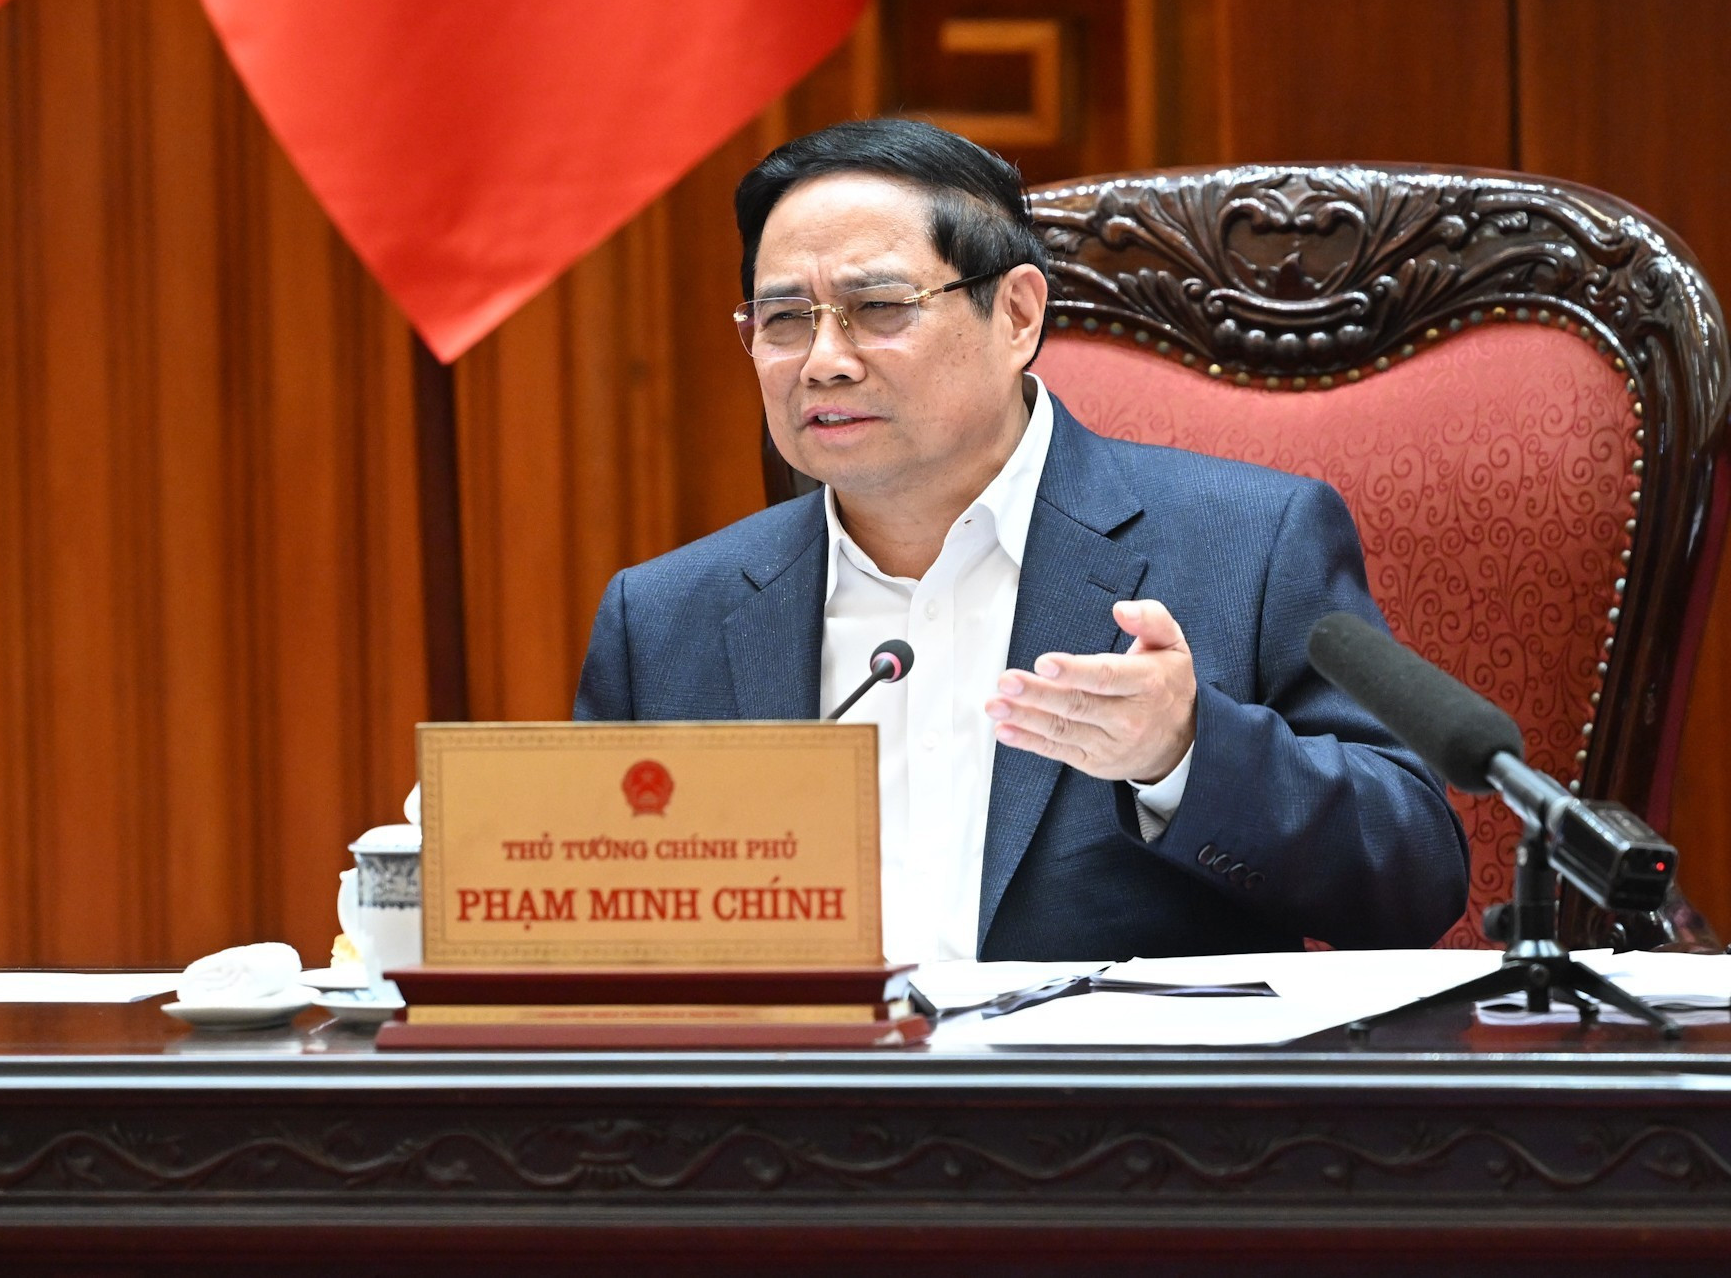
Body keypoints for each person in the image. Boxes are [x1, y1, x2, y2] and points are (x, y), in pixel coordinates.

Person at [574, 118, 1469, 964]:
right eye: (783, 319)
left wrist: (1187, 753)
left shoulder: (1249, 544)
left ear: (1016, 316)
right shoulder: (663, 620)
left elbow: (1415, 876)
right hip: (789, 1121)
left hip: (1124, 1118)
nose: (822, 360)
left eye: (877, 306)